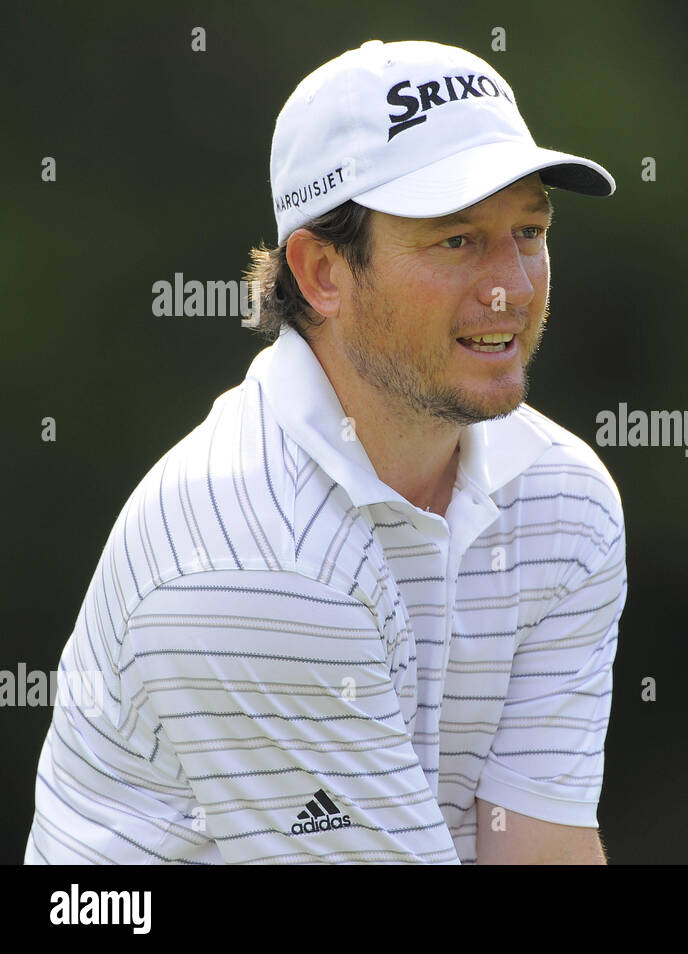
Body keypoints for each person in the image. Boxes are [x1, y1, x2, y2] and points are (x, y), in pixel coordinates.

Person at [25, 39, 627, 864]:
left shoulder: (564, 499)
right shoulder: (244, 549)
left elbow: (539, 849)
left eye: (527, 231)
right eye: (456, 241)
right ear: (322, 272)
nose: (511, 286)